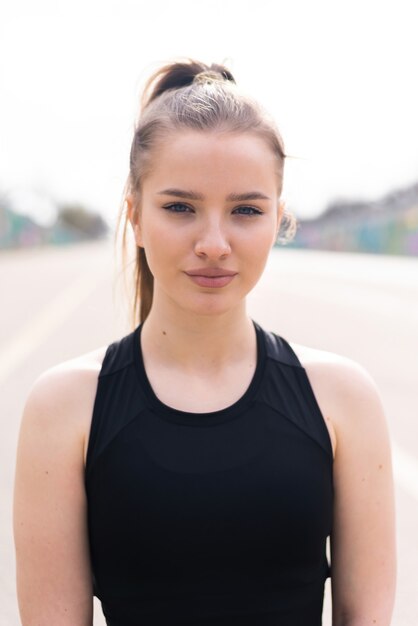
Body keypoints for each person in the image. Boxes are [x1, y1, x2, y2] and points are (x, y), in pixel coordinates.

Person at [13, 58, 396, 626]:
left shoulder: (343, 400)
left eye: (245, 210)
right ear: (136, 218)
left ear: (279, 221)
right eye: (180, 208)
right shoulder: (65, 408)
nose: (214, 243)